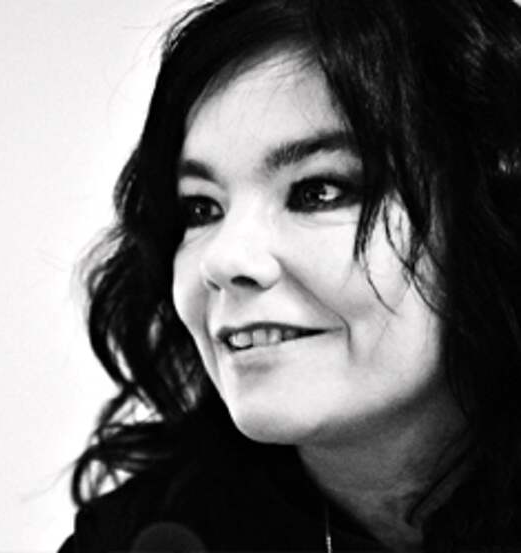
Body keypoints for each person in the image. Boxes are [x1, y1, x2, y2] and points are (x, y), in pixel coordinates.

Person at [58, 0, 521, 550]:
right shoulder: (138, 537)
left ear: (494, 215)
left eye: (317, 191)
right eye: (201, 208)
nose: (223, 261)